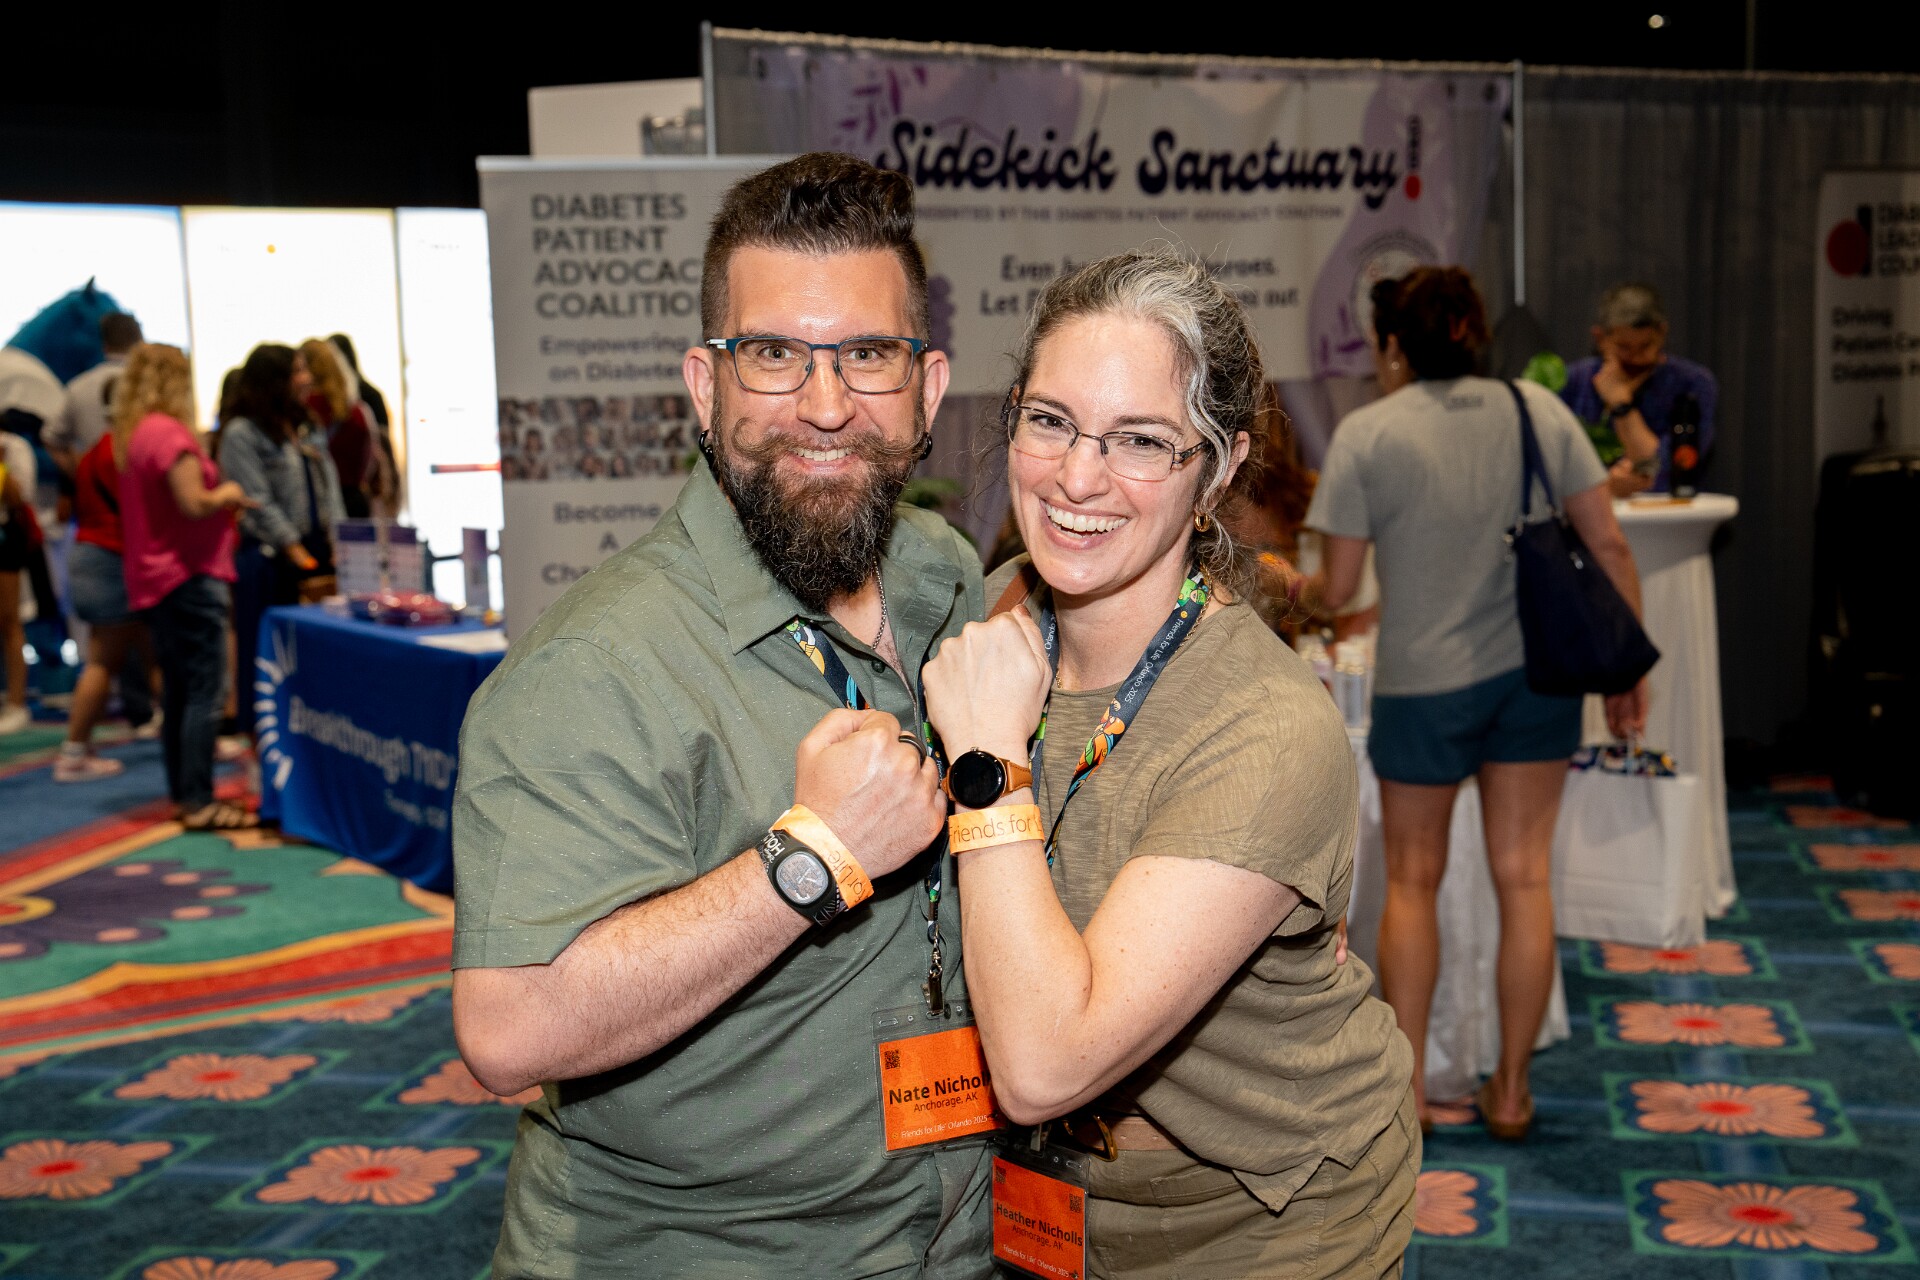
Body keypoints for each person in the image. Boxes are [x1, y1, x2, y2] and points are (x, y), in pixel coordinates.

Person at [450, 153, 991, 1277]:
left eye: (867, 354)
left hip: (949, 1235)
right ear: (707, 387)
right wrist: (811, 858)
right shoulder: (596, 665)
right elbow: (508, 1028)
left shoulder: (943, 575)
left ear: (927, 388)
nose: (826, 405)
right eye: (775, 355)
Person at [922, 250, 1416, 1279]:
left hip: (1263, 1217)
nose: (1077, 478)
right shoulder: (1001, 606)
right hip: (1052, 1197)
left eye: (1141, 439)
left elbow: (1045, 1062)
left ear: (1219, 469)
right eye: (1051, 420)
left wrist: (987, 764)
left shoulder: (1264, 728)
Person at [1306, 267, 1648, 1138]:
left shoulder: (1368, 434)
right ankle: (1514, 1092)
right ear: (1477, 330)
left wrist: (1272, 582)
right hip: (1536, 679)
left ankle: (1412, 1095)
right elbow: (1609, 544)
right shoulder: (1540, 412)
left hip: (1422, 685)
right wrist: (1628, 670)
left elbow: (1337, 592)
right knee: (1525, 879)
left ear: (1394, 345)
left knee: (1412, 883)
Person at [112, 343, 255, 829]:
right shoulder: (169, 435)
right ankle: (198, 799)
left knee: (177, 690)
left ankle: (185, 793)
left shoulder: (136, 437)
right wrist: (228, 493)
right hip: (189, 574)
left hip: (156, 578)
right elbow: (193, 502)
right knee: (204, 692)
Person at [219, 344, 344, 745]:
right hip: (271, 560)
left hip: (315, 551)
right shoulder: (242, 434)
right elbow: (255, 498)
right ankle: (263, 741)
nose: (307, 379)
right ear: (275, 381)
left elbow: (329, 484)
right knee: (268, 657)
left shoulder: (305, 424)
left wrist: (339, 539)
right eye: (298, 371)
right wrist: (295, 550)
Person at [53, 431, 161, 780]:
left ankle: (195, 738)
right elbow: (138, 511)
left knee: (151, 653)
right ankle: (73, 752)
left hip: (93, 554)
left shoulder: (95, 450)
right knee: (104, 660)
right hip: (111, 559)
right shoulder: (121, 450)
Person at [1558, 283, 1718, 497]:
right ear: (1600, 338)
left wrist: (1622, 406)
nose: (1635, 358)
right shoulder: (1571, 382)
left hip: (1671, 512)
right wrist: (1605, 485)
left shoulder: (1693, 383)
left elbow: (1668, 472)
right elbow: (1553, 469)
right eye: (1623, 347)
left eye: (1645, 346)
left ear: (1662, 333)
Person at [47, 312, 142, 476]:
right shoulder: (154, 387)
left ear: (104, 345)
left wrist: (80, 474)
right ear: (140, 343)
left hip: (95, 484)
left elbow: (50, 438)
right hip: (143, 483)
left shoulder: (78, 387)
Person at [297, 339, 377, 518]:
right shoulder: (358, 411)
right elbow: (370, 461)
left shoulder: (306, 409)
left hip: (320, 504)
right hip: (355, 500)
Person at [0, 424, 35, 734]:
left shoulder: (14, 446)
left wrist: (1, 465)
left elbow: (19, 498)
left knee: (9, 621)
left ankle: (16, 702)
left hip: (5, 541)